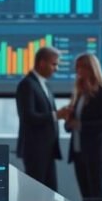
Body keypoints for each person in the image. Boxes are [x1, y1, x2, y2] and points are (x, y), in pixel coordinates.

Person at [63, 53, 102, 201]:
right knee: (86, 198)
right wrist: (69, 121)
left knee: (96, 197)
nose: (76, 71)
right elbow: (71, 125)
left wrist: (81, 125)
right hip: (79, 153)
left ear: (90, 69)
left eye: (80, 67)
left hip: (96, 153)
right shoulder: (79, 94)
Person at [15, 47, 71, 191]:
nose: (56, 68)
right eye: (54, 64)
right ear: (41, 63)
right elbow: (28, 116)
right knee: (35, 195)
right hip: (35, 149)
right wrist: (56, 115)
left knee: (49, 193)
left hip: (47, 150)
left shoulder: (44, 85)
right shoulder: (27, 85)